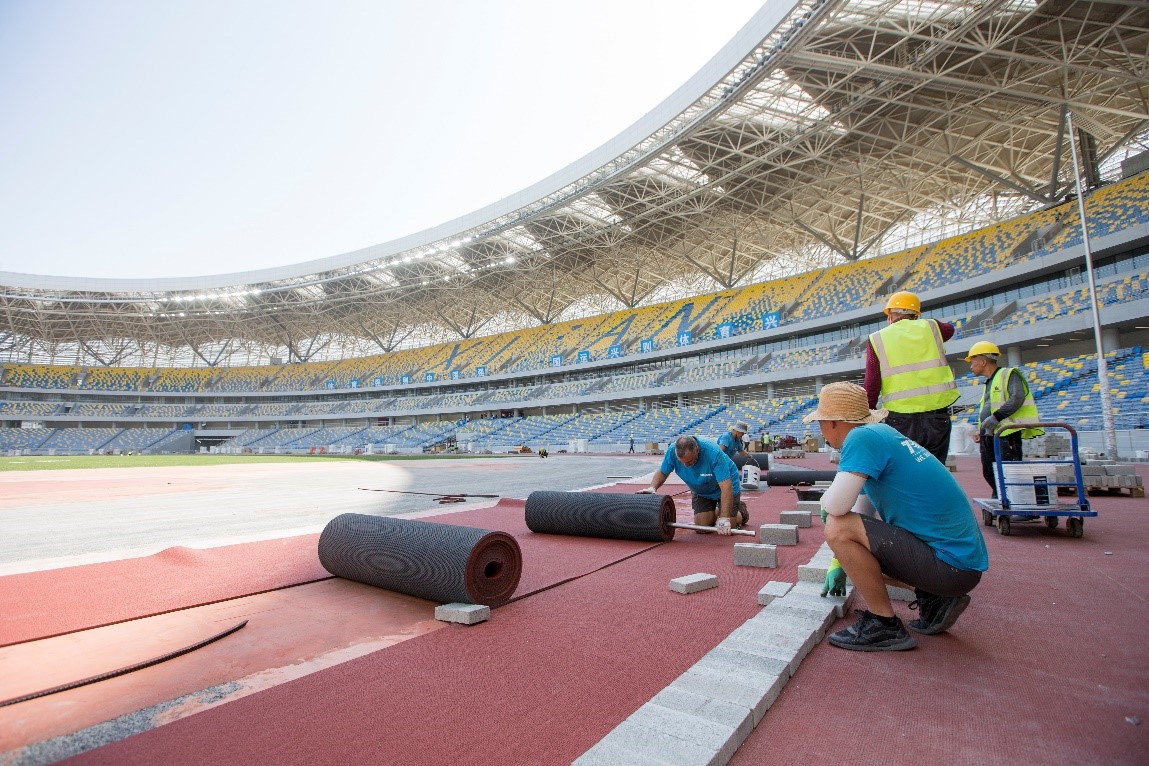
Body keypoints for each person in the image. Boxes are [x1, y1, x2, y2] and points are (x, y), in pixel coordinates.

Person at [804, 382, 988, 652]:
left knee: (837, 526)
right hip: (959, 566)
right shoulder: (880, 434)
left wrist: (825, 504)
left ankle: (884, 625)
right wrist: (840, 561)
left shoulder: (859, 438)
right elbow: (861, 516)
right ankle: (934, 598)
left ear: (832, 422)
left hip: (951, 568)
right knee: (845, 538)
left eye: (820, 423)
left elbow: (838, 509)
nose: (820, 431)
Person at [864, 290, 959, 465]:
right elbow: (950, 329)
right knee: (935, 471)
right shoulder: (932, 327)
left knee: (905, 471)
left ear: (891, 314)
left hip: (900, 418)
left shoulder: (877, 338)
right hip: (936, 415)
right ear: (916, 315)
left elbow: (872, 383)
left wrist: (868, 411)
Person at [966, 341, 1044, 520]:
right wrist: (981, 429)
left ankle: (1021, 508)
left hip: (1006, 434)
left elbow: (1017, 398)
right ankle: (1001, 500)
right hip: (990, 435)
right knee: (989, 470)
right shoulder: (989, 382)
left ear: (983, 361)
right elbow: (988, 408)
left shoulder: (1008, 374)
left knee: (1010, 471)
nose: (971, 366)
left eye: (972, 361)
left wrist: (996, 418)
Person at [639, 435, 749, 534]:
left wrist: (725, 518)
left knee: (730, 526)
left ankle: (740, 512)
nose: (686, 465)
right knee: (702, 527)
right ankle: (718, 511)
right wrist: (652, 487)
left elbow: (726, 487)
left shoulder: (713, 452)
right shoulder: (672, 451)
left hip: (724, 486)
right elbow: (663, 472)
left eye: (690, 461)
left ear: (697, 449)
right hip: (701, 489)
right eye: (682, 462)